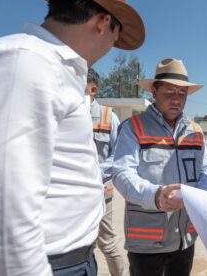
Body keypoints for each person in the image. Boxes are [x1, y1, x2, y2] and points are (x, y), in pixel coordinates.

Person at [0, 0, 144, 276]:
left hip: (70, 261)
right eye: (115, 38)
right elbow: (2, 226)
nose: (111, 47)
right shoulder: (24, 64)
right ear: (103, 22)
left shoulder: (51, 69)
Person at [108, 58, 207, 276]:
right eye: (169, 92)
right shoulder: (133, 128)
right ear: (154, 92)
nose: (176, 99)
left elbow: (205, 172)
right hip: (147, 242)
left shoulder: (195, 131)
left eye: (182, 93)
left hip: (185, 239)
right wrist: (156, 196)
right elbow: (121, 173)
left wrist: (198, 197)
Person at [86, 68, 124, 276]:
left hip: (102, 192)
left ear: (92, 89)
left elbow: (117, 156)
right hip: (72, 195)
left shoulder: (109, 117)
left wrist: (90, 174)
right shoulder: (65, 113)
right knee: (81, 245)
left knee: (107, 243)